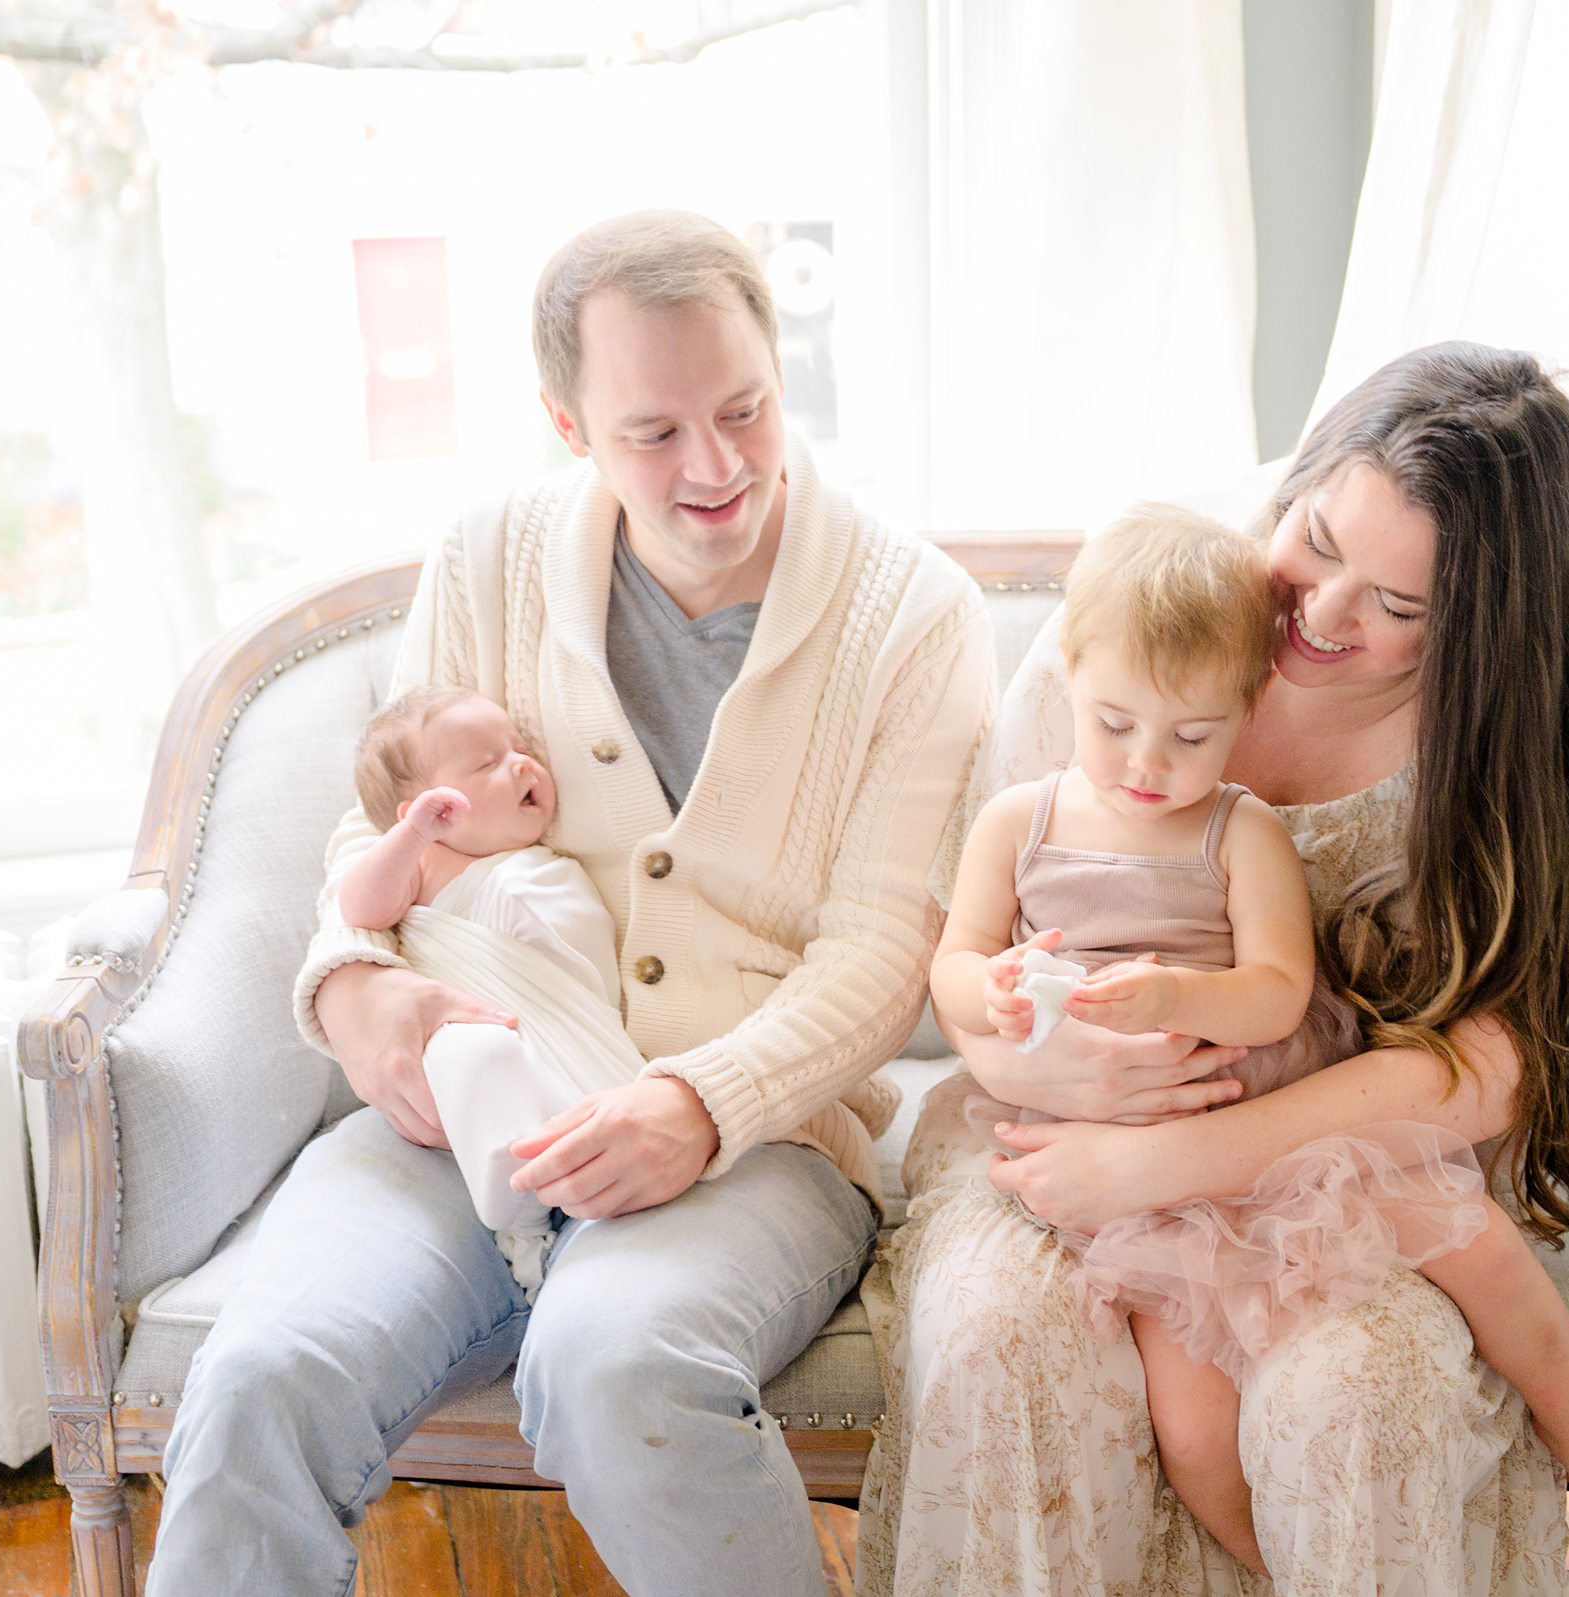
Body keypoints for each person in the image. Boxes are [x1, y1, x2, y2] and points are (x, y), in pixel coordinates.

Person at [144, 210, 992, 1597]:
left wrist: (698, 1105)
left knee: (618, 1367)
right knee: (259, 1375)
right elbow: (382, 833)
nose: (715, 467)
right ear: (567, 420)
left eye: (745, 410)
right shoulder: (486, 559)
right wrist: (357, 992)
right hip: (457, 1118)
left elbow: (883, 949)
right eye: (653, 432)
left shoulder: (917, 615)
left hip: (752, 1134)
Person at [860, 341, 1569, 1596]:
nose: (1324, 616)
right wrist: (1047, 1060)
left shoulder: (1490, 747)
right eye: (1319, 543)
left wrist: (1177, 1153)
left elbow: (1491, 1068)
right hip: (1057, 1117)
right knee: (1003, 1343)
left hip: (1341, 1152)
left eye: (1401, 608)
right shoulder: (1139, 638)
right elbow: (981, 943)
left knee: (1357, 1394)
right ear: (1295, 483)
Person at [335, 686, 643, 1293]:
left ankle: (566, 1190)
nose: (522, 764)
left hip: (570, 1031)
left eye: (519, 747)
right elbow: (359, 909)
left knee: (572, 1107)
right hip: (488, 1036)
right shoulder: (426, 863)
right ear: (425, 812)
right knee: (477, 1055)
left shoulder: (541, 858)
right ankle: (520, 1222)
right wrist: (413, 839)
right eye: (486, 764)